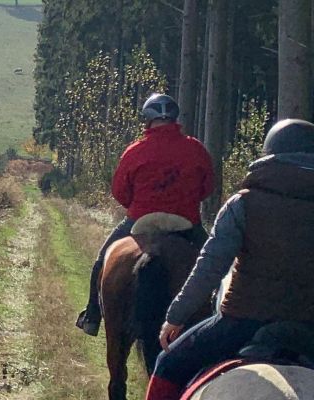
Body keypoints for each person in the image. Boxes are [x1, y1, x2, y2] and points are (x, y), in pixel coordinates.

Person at [144, 119, 314, 399]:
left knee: (167, 364)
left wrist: (176, 316)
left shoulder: (243, 204)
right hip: (310, 326)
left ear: (270, 157)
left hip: (241, 322)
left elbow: (210, 267)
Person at [76, 93, 215, 336]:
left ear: (148, 121)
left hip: (140, 220)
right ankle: (217, 317)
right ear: (174, 119)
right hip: (186, 224)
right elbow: (208, 188)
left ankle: (92, 315)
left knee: (101, 260)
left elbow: (119, 191)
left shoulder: (135, 151)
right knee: (216, 267)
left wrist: (139, 205)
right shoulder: (196, 149)